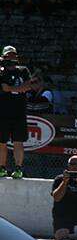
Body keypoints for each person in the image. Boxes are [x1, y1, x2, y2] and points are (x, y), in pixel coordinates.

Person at [0, 46, 37, 179]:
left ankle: (18, 168)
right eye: (8, 55)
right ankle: (2, 168)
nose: (11, 58)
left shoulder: (23, 70)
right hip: (2, 112)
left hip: (19, 112)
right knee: (1, 142)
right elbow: (3, 87)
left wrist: (11, 88)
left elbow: (27, 86)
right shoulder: (1, 71)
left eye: (13, 55)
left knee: (18, 141)